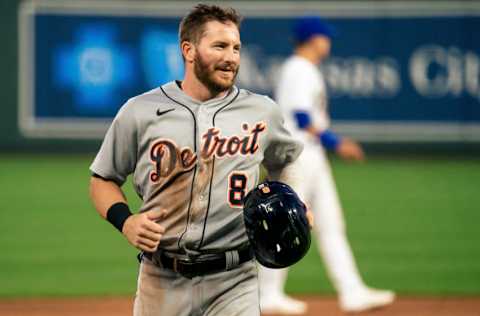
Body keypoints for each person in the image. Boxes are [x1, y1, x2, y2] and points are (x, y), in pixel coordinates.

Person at [88, 4, 312, 316]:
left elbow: (286, 160)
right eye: (220, 46)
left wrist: (294, 200)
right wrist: (126, 221)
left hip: (235, 280)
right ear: (188, 50)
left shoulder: (261, 111)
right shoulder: (140, 111)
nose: (231, 57)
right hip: (160, 280)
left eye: (236, 47)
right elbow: (103, 179)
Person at [258, 16, 395, 314]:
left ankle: (352, 291)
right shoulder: (298, 69)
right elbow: (302, 118)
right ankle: (267, 294)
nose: (328, 41)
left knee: (331, 224)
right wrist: (337, 143)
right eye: (325, 36)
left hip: (311, 155)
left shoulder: (305, 69)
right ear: (313, 39)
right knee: (285, 224)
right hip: (297, 155)